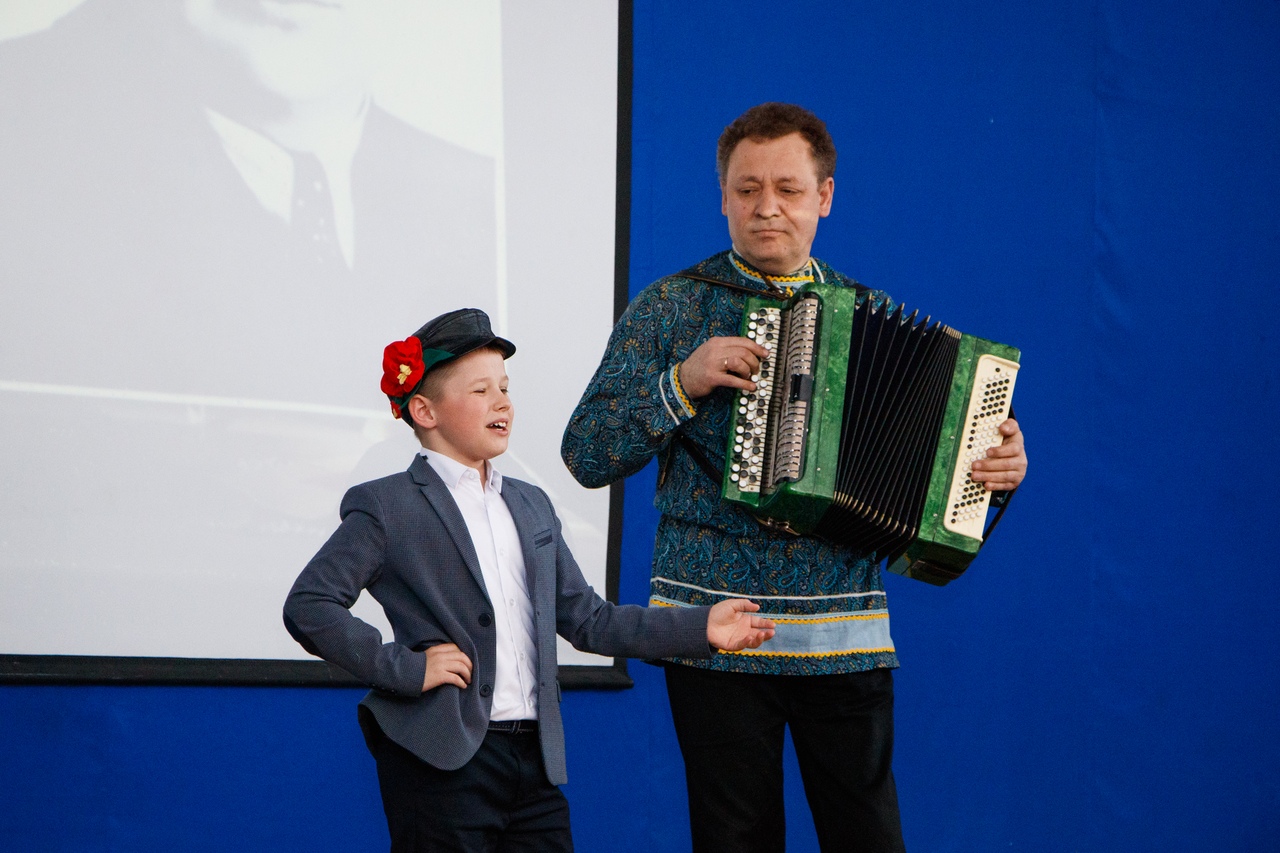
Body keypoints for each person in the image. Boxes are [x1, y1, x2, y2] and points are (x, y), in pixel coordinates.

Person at [561, 103, 1028, 852]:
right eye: (747, 189)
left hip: (843, 632)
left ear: (825, 196)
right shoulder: (670, 306)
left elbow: (941, 483)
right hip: (713, 630)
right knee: (735, 840)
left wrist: (996, 472)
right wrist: (681, 382)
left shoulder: (869, 312)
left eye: (787, 188)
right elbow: (586, 454)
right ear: (722, 196)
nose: (766, 207)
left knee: (868, 837)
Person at [283, 308, 777, 851]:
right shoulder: (386, 504)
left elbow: (589, 620)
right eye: (480, 391)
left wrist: (700, 627)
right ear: (424, 410)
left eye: (504, 388)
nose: (502, 403)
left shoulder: (530, 503)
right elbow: (310, 604)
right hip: (443, 757)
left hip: (534, 761)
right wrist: (404, 668)